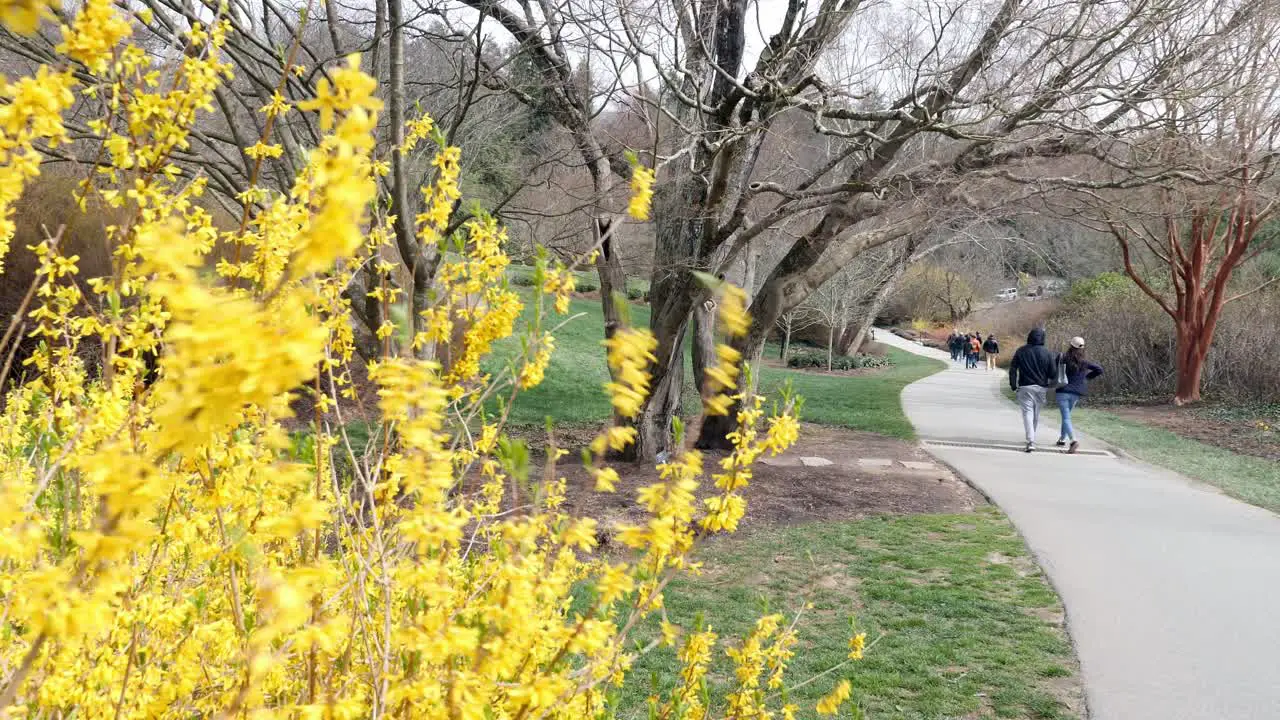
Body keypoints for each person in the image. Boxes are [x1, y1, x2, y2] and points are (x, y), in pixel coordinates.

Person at [1008, 328, 1059, 452]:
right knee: (1035, 414)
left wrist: (1013, 385)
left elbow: (1013, 368)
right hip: (1041, 388)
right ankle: (1031, 438)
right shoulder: (1047, 353)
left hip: (1025, 387)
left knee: (1027, 413)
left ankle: (1031, 440)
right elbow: (1052, 373)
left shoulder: (1021, 351)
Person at [1056, 336, 1104, 454]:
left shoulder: (1062, 358)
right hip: (1076, 393)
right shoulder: (1084, 362)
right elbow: (1099, 369)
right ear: (1082, 348)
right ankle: (1062, 439)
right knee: (1066, 417)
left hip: (1063, 390)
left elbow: (1054, 370)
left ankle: (1073, 441)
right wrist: (1086, 378)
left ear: (1070, 345)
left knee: (1066, 417)